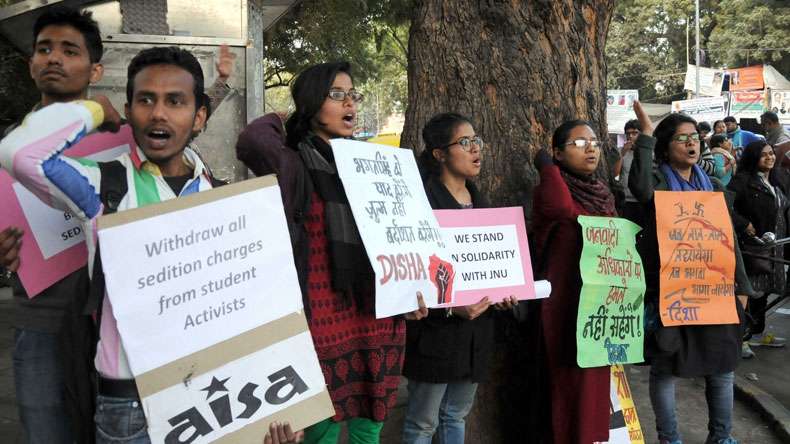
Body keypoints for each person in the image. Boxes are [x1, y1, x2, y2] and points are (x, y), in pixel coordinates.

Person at [0, 45, 297, 444]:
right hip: (130, 408)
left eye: (175, 101)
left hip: (217, 396)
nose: (158, 113)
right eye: (145, 100)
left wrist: (276, 412)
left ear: (199, 117)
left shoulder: (222, 197)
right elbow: (17, 152)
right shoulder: (102, 186)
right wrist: (93, 112)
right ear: (129, 110)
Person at [236, 61, 428, 444]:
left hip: (377, 318)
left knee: (368, 428)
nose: (349, 104)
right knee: (319, 426)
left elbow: (402, 237)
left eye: (352, 95)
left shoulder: (375, 166)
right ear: (311, 103)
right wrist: (286, 113)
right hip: (321, 323)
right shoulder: (294, 164)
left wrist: (412, 290)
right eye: (336, 95)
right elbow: (253, 140)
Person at [629, 101, 753, 444]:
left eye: (695, 136)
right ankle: (670, 439)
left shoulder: (712, 187)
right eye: (681, 138)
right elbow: (638, 187)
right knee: (666, 369)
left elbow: (728, 240)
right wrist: (646, 136)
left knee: (722, 369)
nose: (691, 143)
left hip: (715, 292)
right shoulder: (657, 185)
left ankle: (721, 437)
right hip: (672, 294)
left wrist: (741, 287)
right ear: (666, 148)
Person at [401, 112, 517, 444]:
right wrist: (452, 308)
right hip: (435, 333)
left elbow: (494, 269)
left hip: (476, 335)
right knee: (422, 423)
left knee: (456, 415)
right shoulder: (420, 205)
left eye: (476, 141)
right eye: (464, 142)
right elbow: (410, 274)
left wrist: (505, 294)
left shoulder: (483, 207)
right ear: (439, 153)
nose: (475, 149)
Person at [530, 119, 615, 444]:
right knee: (564, 393)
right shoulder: (551, 191)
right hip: (563, 312)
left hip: (598, 313)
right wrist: (547, 168)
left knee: (591, 399)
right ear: (558, 154)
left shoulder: (601, 193)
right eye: (578, 143)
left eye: (593, 141)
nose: (590, 148)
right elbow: (563, 209)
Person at [728, 141, 788, 358]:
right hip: (755, 246)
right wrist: (743, 224)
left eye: (771, 154)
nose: (770, 158)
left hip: (777, 245)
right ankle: (741, 337)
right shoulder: (742, 181)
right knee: (751, 291)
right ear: (754, 158)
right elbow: (725, 206)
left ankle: (756, 333)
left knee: (766, 290)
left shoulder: (778, 179)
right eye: (764, 155)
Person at [617, 119, 645, 226]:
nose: (631, 136)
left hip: (642, 200)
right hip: (626, 200)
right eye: (628, 134)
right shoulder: (621, 150)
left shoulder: (648, 152)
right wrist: (622, 154)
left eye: (635, 133)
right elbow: (615, 174)